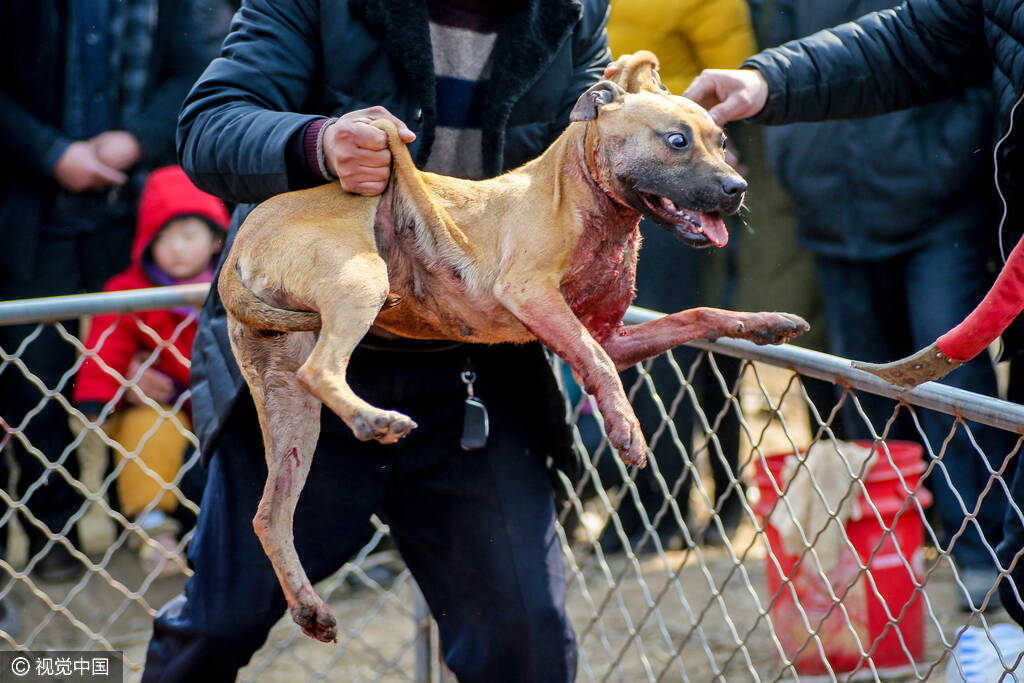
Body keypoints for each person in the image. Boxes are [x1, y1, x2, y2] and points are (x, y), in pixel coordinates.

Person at [142, 1, 609, 680]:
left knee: (528, 645)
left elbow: (597, 150)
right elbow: (208, 124)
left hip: (476, 380)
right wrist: (317, 142)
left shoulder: (573, 9)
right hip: (310, 361)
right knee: (216, 625)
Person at [680, 0, 1024, 618]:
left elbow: (954, 55)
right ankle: (881, 571)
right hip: (831, 205)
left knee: (958, 388)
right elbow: (907, 39)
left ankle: (983, 553)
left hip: (939, 201)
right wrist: (767, 85)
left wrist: (955, 156)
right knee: (862, 393)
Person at [0, 0, 213, 602]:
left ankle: (147, 522)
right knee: (33, 380)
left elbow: (194, 71)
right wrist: (51, 153)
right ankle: (53, 534)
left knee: (157, 368)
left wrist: (132, 139)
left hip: (142, 210)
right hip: (29, 212)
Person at [597, 0, 756, 552]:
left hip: (684, 185)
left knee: (681, 349)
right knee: (657, 346)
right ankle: (663, 502)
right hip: (613, 185)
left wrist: (700, 153)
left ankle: (680, 506)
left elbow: (739, 76)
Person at [72, 166, 227, 577]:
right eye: (162, 238)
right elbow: (107, 344)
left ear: (216, 239)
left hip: (224, 403)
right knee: (147, 428)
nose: (175, 249)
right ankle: (156, 531)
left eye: (187, 236)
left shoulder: (234, 283)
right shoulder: (130, 290)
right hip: (168, 401)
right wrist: (99, 396)